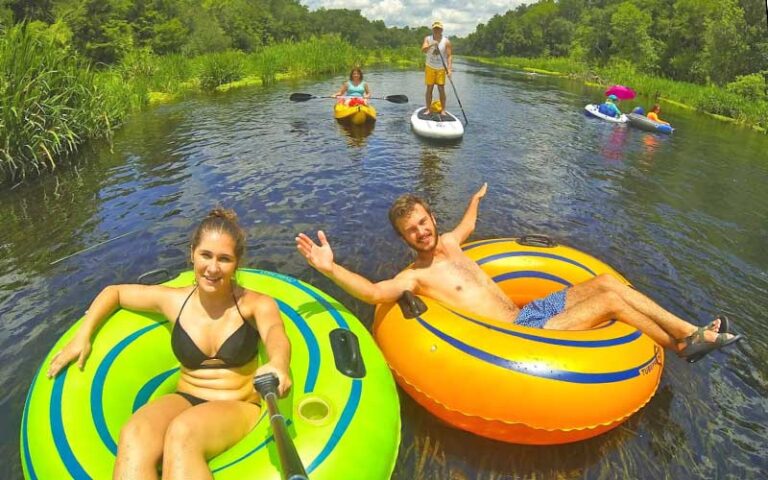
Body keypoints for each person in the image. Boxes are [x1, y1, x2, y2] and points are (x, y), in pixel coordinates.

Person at [296, 184, 742, 362]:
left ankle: (683, 342)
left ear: (431, 217)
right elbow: (375, 293)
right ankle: (687, 336)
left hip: (529, 310)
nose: (422, 232)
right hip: (518, 334)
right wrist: (330, 266)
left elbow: (466, 225)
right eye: (411, 231)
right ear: (404, 239)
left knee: (608, 283)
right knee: (609, 302)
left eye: (423, 222)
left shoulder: (449, 241)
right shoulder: (414, 276)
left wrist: (476, 199)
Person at [47, 208, 292, 479]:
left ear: (237, 263)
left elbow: (275, 333)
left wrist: (279, 363)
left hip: (237, 405)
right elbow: (114, 292)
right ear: (192, 253)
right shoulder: (173, 301)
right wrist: (82, 336)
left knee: (183, 432)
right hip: (185, 397)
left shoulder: (255, 304)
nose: (212, 268)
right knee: (135, 432)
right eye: (206, 255)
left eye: (224, 259)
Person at [421, 20, 452, 116]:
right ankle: (428, 109)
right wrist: (432, 44)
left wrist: (449, 69)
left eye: (438, 29)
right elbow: (423, 50)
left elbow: (449, 55)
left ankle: (443, 110)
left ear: (442, 30)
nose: (437, 30)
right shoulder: (428, 39)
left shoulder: (446, 41)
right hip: (430, 66)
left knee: (441, 88)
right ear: (432, 29)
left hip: (441, 68)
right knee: (429, 88)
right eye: (435, 28)